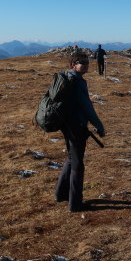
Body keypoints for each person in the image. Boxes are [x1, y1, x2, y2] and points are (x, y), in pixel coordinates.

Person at [54, 53, 105, 212]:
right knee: (77, 163)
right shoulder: (77, 81)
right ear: (73, 65)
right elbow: (86, 106)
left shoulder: (65, 78)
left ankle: (60, 193)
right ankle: (75, 204)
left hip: (66, 124)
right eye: (81, 62)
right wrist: (99, 125)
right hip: (76, 125)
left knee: (71, 158)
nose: (85, 64)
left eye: (87, 62)